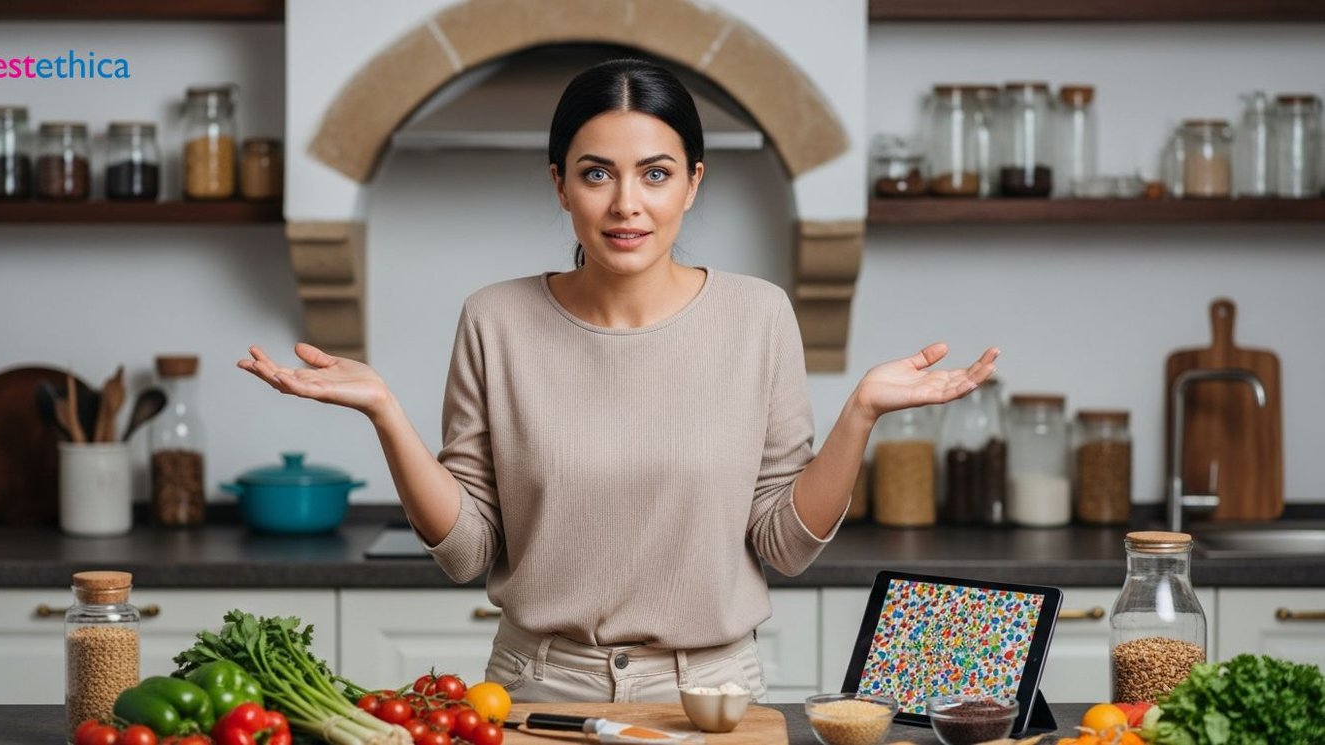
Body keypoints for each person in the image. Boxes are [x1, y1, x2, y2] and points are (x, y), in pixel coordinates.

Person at [239, 58, 998, 704]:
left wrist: (860, 412)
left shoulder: (758, 316)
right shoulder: (495, 320)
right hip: (536, 689)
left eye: (655, 174)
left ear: (692, 184)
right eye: (596, 173)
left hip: (713, 694)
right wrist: (384, 412)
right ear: (561, 186)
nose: (626, 202)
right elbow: (469, 551)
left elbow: (784, 544)